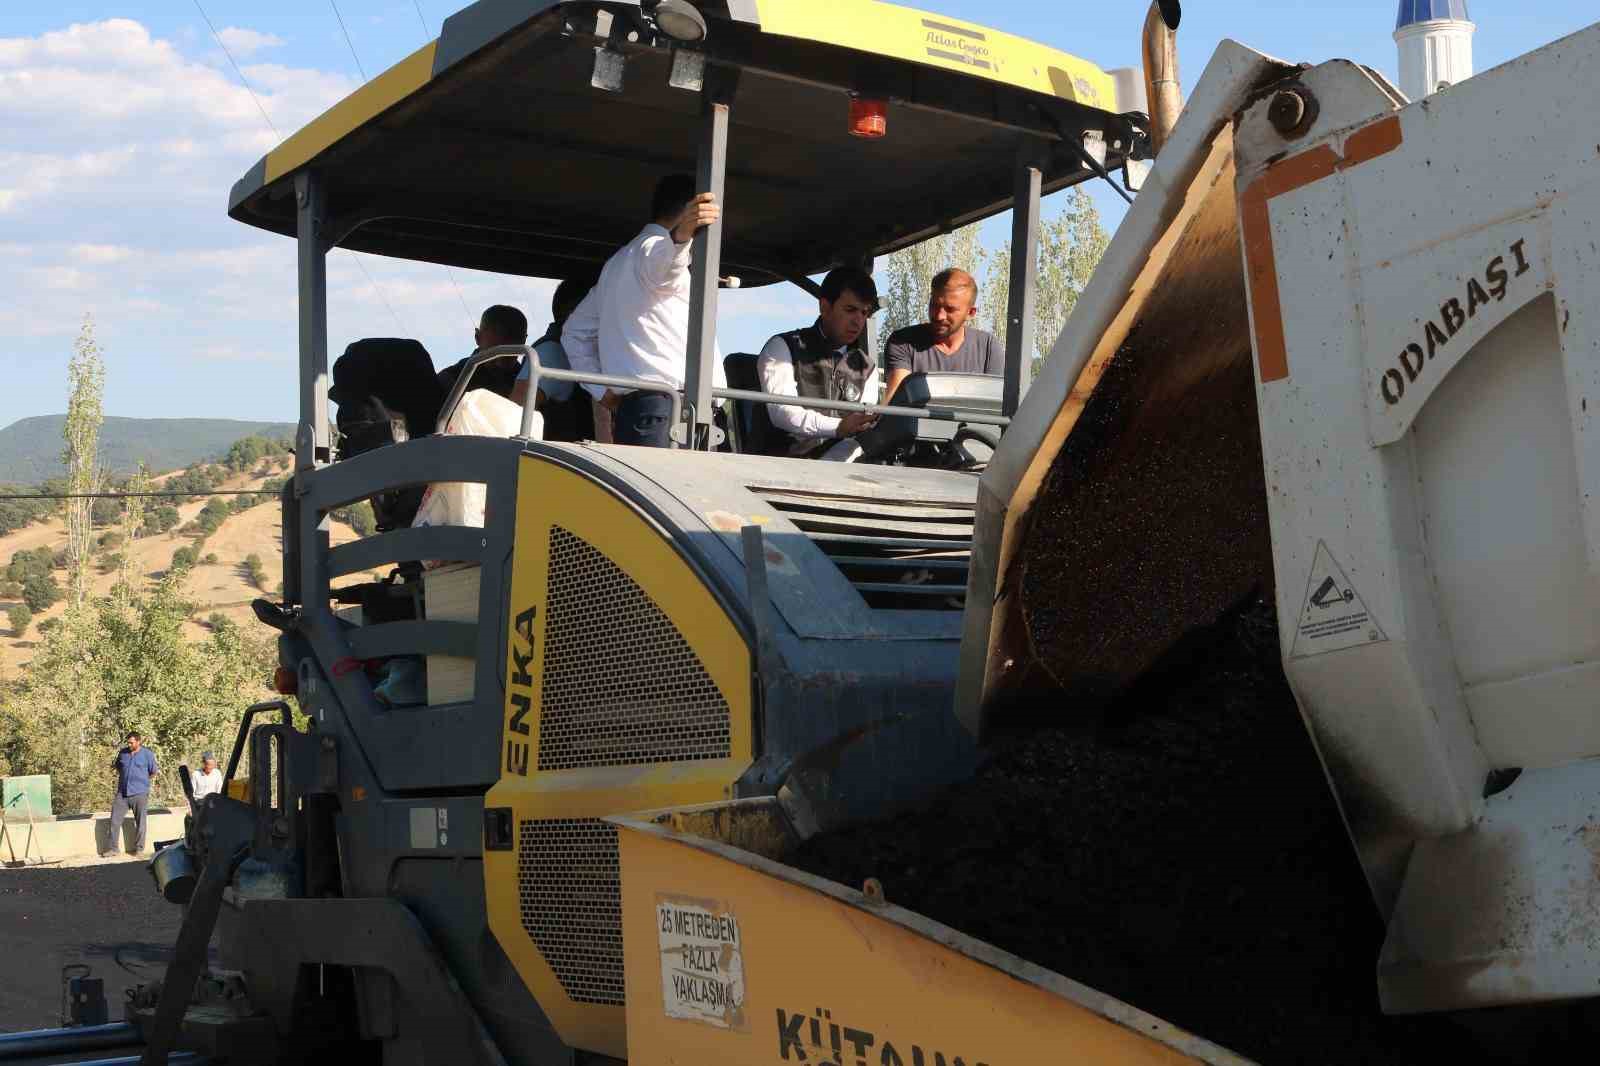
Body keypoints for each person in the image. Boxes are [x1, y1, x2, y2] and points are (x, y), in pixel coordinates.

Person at [562, 174, 725, 447]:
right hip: (670, 413)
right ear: (688, 210)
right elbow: (662, 267)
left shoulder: (615, 264)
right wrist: (681, 236)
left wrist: (603, 392)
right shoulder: (653, 250)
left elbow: (573, 333)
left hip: (649, 412)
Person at [756, 267, 882, 459]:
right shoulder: (782, 347)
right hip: (779, 468)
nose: (858, 321)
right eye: (850, 310)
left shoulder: (867, 368)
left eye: (865, 313)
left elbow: (863, 428)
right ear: (824, 307)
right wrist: (839, 427)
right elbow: (782, 413)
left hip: (840, 473)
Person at [882, 267, 1003, 401]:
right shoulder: (902, 342)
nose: (939, 315)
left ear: (970, 313)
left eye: (950, 309)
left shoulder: (988, 347)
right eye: (934, 305)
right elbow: (896, 404)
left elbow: (994, 404)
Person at [510, 275, 598, 443]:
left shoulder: (582, 352)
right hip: (563, 464)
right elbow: (515, 413)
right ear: (572, 312)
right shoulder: (552, 353)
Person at [437, 305, 529, 400]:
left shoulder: (530, 384)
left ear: (524, 341)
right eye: (494, 353)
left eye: (509, 355)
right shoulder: (450, 381)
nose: (501, 362)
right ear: (477, 337)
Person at [103, 731, 158, 858]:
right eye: (128, 742)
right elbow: (118, 767)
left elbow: (153, 772)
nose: (129, 744)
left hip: (140, 793)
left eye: (131, 742)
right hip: (122, 793)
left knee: (141, 822)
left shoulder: (147, 754)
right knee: (114, 820)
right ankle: (113, 849)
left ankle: (139, 849)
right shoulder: (123, 753)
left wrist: (142, 781)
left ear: (139, 742)